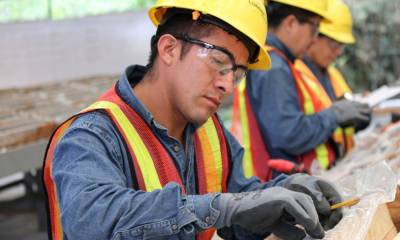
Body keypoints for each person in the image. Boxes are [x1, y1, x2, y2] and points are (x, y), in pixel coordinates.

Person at [42, 1, 343, 239]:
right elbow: (91, 223)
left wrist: (285, 196)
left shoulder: (208, 131)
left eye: (237, 72)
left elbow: (237, 206)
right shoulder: (91, 135)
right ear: (169, 49)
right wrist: (220, 208)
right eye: (219, 62)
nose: (227, 84)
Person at [231, 0, 371, 180]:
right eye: (314, 29)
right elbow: (288, 134)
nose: (314, 39)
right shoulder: (274, 67)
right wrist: (334, 115)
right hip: (282, 187)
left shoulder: (282, 62)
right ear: (290, 23)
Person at [295, 0, 371, 155]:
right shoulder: (292, 73)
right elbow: (290, 134)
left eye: (341, 46)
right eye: (334, 44)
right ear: (315, 37)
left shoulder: (331, 73)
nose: (338, 52)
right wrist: (335, 115)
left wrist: (357, 117)